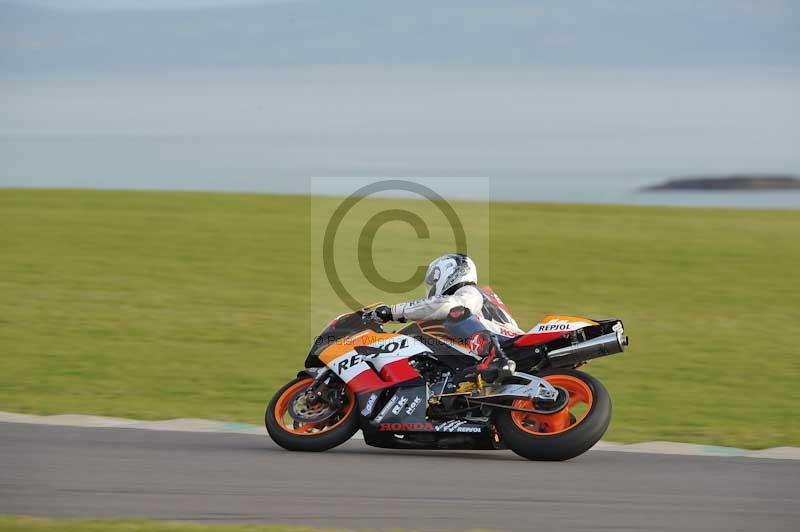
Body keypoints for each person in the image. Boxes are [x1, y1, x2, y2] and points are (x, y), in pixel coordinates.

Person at [367, 253, 521, 383]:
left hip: (504, 347)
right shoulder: (483, 299)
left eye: (434, 281)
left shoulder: (469, 291)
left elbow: (445, 305)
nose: (433, 288)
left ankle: (495, 357)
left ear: (452, 274)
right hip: (508, 345)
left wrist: (393, 312)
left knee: (456, 313)